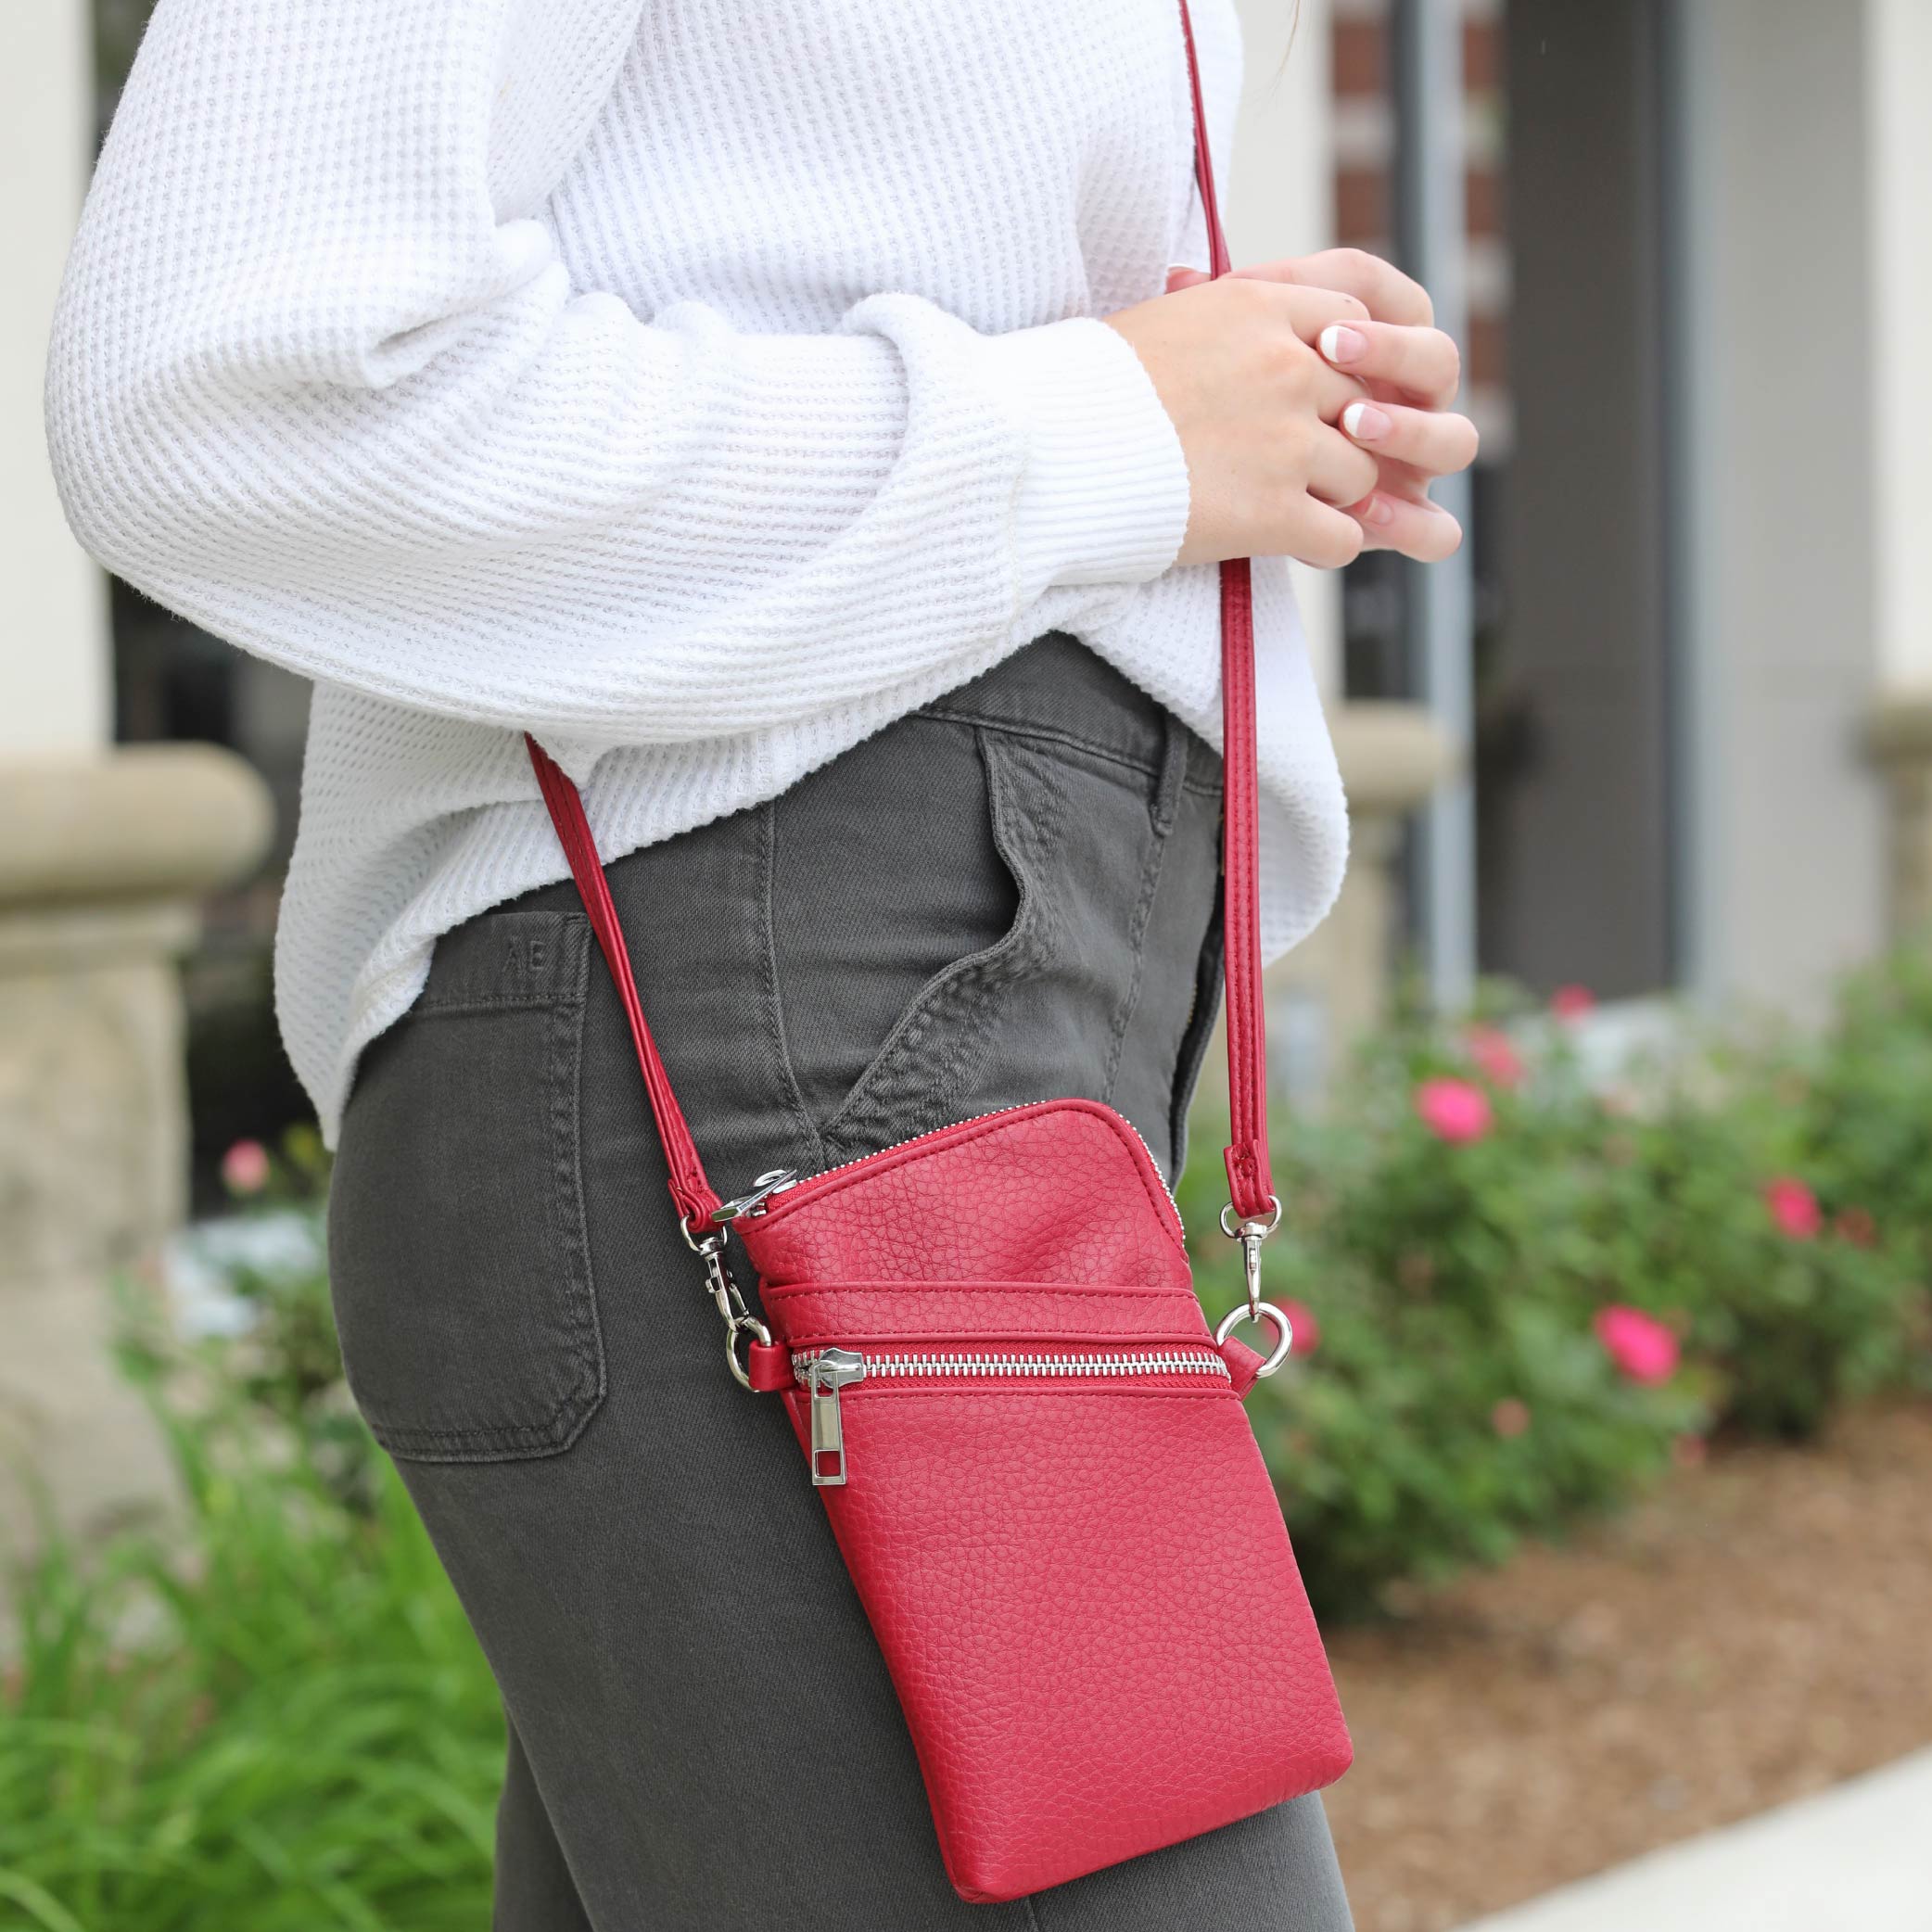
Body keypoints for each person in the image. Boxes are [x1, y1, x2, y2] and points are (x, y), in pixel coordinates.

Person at [45, 2, 1475, 1926]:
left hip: (922, 1017)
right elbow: (227, 387)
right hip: (771, 1009)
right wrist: (1100, 423)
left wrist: (1228, 386)